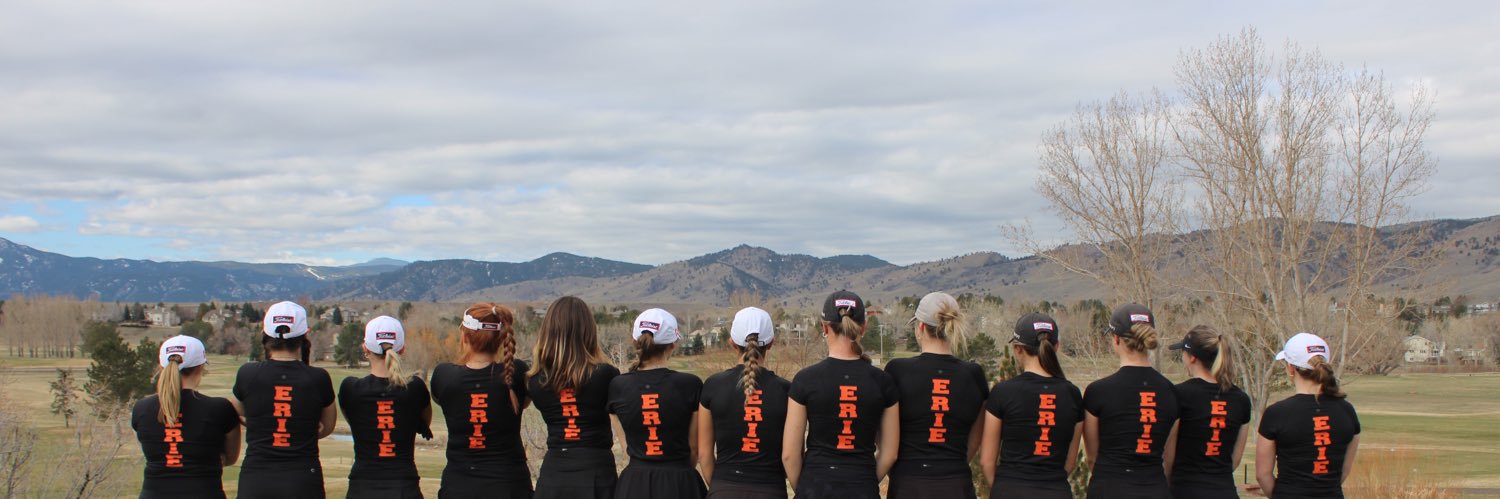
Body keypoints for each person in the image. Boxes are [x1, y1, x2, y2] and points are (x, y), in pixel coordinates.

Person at [782, 290, 901, 499]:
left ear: (824, 327)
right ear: (863, 327)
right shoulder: (883, 382)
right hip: (862, 486)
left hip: (814, 486)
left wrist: (804, 487)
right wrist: (866, 480)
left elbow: (789, 455)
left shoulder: (805, 380)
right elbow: (890, 453)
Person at [884, 292, 987, 499]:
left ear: (920, 327)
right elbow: (976, 436)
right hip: (957, 483)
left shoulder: (897, 370)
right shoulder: (973, 374)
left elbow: (884, 435)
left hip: (908, 482)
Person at [232, 301, 337, 499]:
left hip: (256, 479)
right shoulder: (318, 377)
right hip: (303, 479)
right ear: (303, 337)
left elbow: (236, 410)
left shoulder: (247, 373)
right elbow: (328, 426)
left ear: (266, 336)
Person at [430, 303, 532, 498]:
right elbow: (523, 403)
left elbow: (443, 400)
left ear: (465, 337)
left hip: (458, 487)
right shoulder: (517, 373)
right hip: (510, 486)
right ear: (502, 338)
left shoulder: (444, 375)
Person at [980, 313, 1084, 499]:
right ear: (1057, 347)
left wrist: (1003, 489)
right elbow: (1070, 463)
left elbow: (987, 462)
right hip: (1056, 491)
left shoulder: (1003, 392)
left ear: (1018, 349)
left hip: (1010, 490)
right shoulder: (1072, 394)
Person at [528, 296, 621, 499]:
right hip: (596, 473)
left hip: (553, 475)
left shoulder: (535, 381)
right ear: (588, 331)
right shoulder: (605, 374)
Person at [1082, 304, 1179, 499]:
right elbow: (1169, 458)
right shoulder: (1171, 391)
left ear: (1116, 339)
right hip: (1155, 489)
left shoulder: (1098, 391)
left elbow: (1092, 457)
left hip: (1108, 488)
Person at [609, 308, 707, 498]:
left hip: (634, 484)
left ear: (634, 342)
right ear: (673, 344)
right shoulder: (690, 384)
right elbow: (693, 448)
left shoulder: (618, 386)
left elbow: (626, 447)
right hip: (680, 482)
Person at [1250, 333, 1360, 499]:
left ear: (1291, 368)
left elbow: (1263, 475)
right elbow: (1343, 472)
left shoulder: (1277, 413)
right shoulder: (1347, 410)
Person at [698, 307, 792, 499]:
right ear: (771, 343)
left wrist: (718, 487)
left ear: (732, 343)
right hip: (771, 491)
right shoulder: (786, 390)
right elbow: (791, 455)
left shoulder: (713, 386)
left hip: (723, 489)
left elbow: (704, 454)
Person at [132, 335, 241, 499]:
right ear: (200, 368)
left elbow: (152, 450)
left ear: (162, 367)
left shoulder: (141, 408)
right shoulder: (220, 408)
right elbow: (230, 458)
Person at [338, 315, 433, 498]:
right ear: (402, 349)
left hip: (361, 488)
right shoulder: (415, 388)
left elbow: (352, 419)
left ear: (365, 348)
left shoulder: (351, 388)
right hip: (405, 488)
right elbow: (422, 421)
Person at [1162, 326, 1252, 499]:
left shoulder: (1179, 394)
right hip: (1225, 491)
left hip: (1185, 490)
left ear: (1192, 358)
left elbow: (1168, 457)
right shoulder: (1241, 400)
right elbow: (1234, 460)